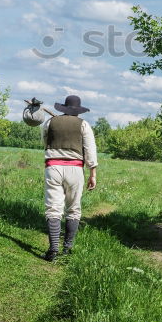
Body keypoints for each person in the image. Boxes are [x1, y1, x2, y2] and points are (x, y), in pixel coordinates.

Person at [23, 94, 98, 261]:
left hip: (53, 167)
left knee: (53, 208)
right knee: (73, 209)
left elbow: (45, 142)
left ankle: (53, 250)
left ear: (64, 108)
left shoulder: (50, 122)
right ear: (78, 111)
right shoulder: (83, 124)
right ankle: (67, 249)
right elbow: (90, 150)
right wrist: (92, 173)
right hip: (75, 169)